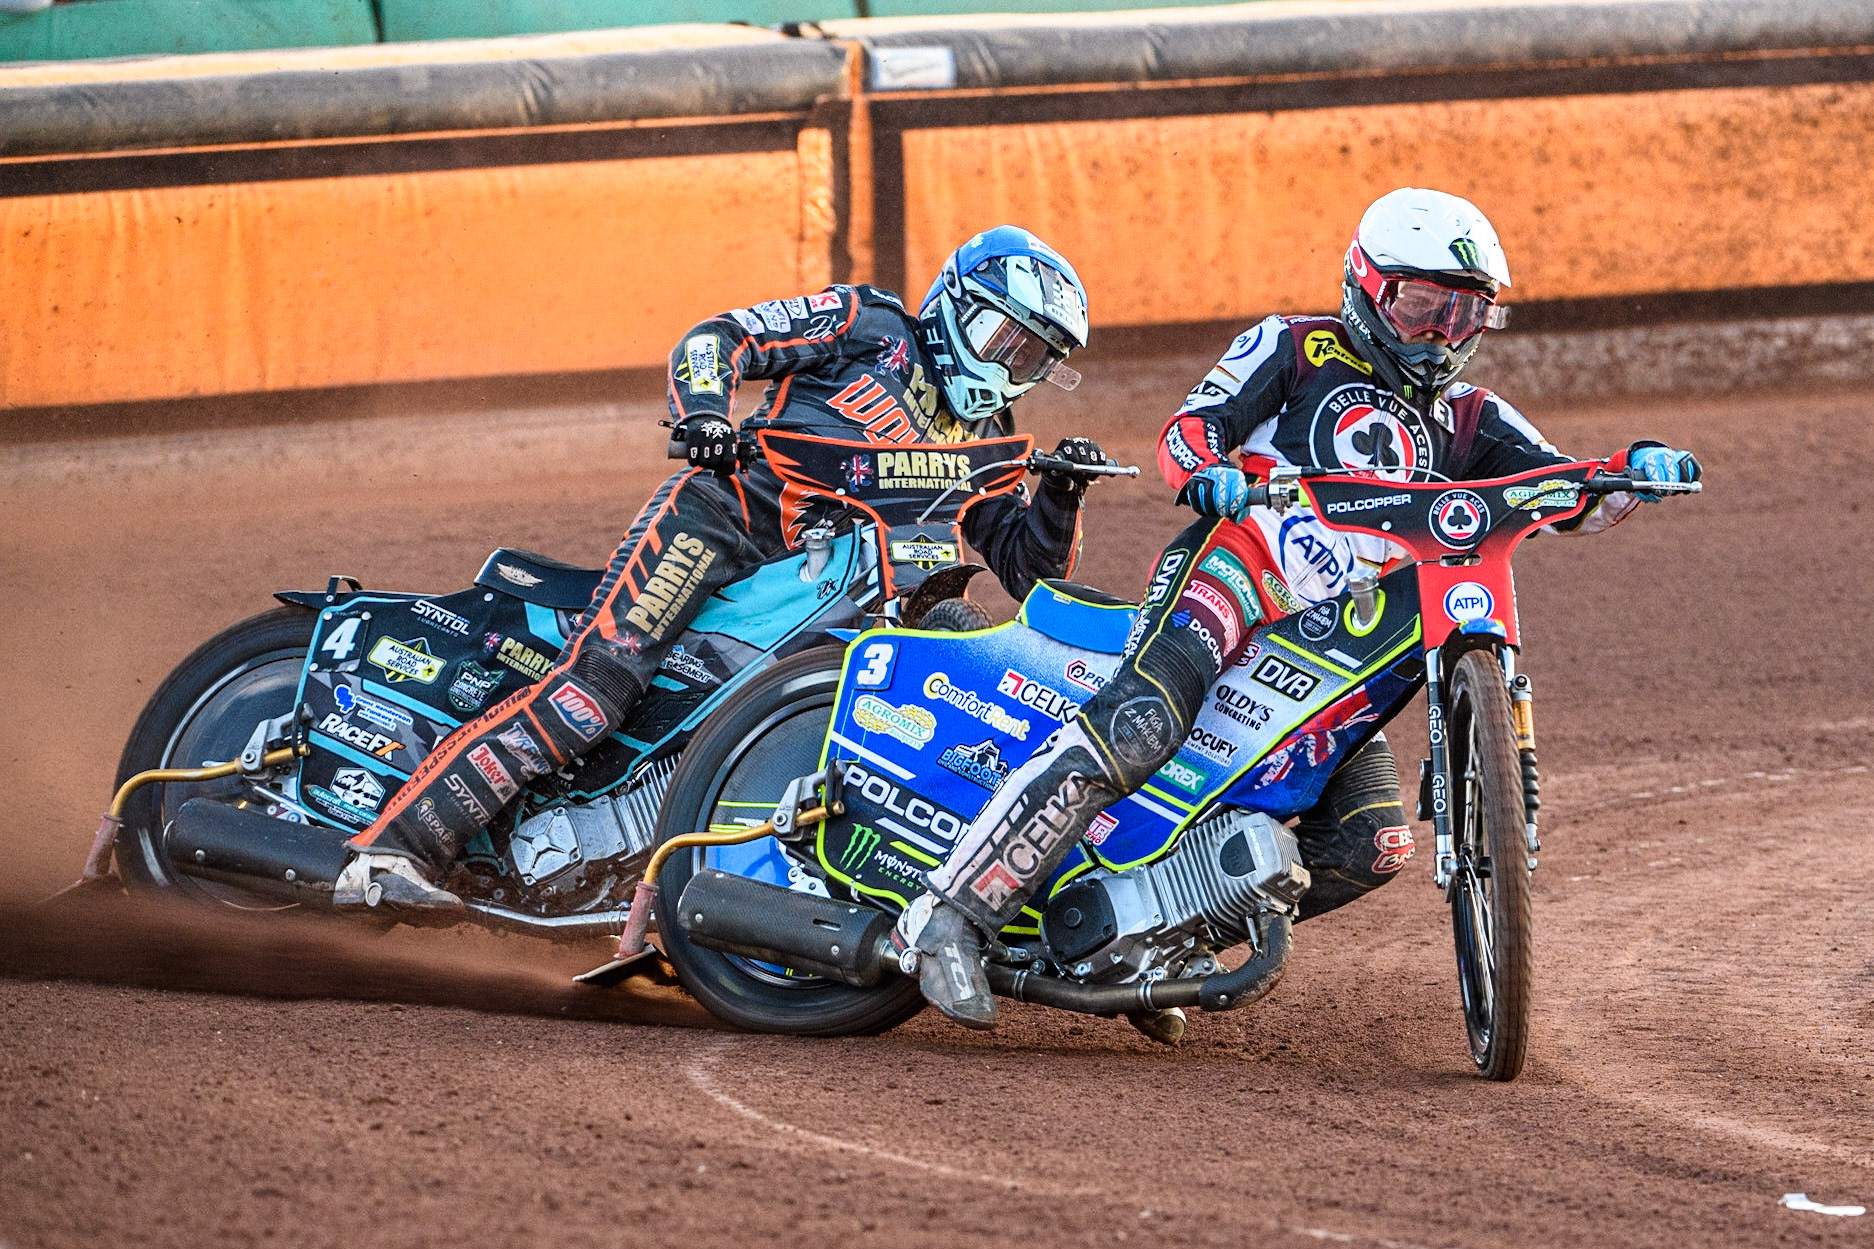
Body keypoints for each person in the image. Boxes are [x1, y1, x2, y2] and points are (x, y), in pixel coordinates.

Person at [896, 187, 1703, 1029]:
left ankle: (1153, 937)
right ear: (1367, 285)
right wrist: (1208, 472)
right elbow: (1190, 429)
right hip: (1237, 570)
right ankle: (949, 915)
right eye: (1420, 305)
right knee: (1139, 722)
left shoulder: (1472, 417)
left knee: (1371, 841)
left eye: (1462, 314)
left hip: (1338, 640)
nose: (1438, 333)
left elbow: (1562, 488)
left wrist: (1633, 468)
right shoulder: (1294, 345)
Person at [337, 226, 1110, 910]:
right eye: (1004, 338)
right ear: (953, 305)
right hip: (723, 526)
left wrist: (1061, 493)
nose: (1012, 365)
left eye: (1034, 357)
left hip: (831, 601)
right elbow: (721, 337)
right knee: (594, 692)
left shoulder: (985, 434)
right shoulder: (871, 324)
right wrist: (705, 413)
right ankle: (391, 852)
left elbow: (1026, 569)